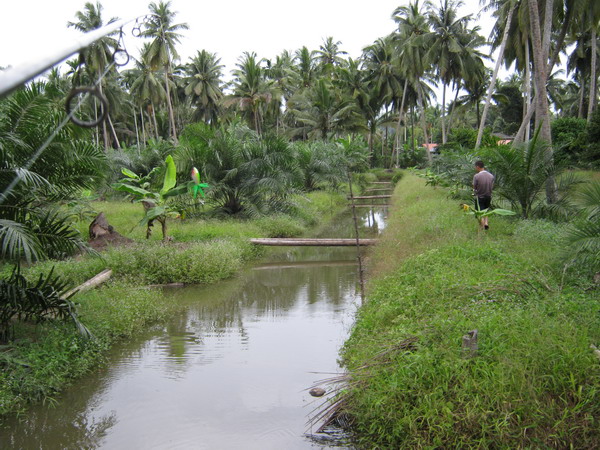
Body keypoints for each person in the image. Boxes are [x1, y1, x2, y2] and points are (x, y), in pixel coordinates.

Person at [472, 160, 494, 230]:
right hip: (488, 196)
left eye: (475, 167)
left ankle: (482, 227)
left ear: (478, 167)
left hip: (480, 196)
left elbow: (474, 186)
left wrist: (474, 191)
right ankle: (486, 223)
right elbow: (492, 186)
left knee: (479, 213)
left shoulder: (477, 176)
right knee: (486, 210)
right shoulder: (491, 176)